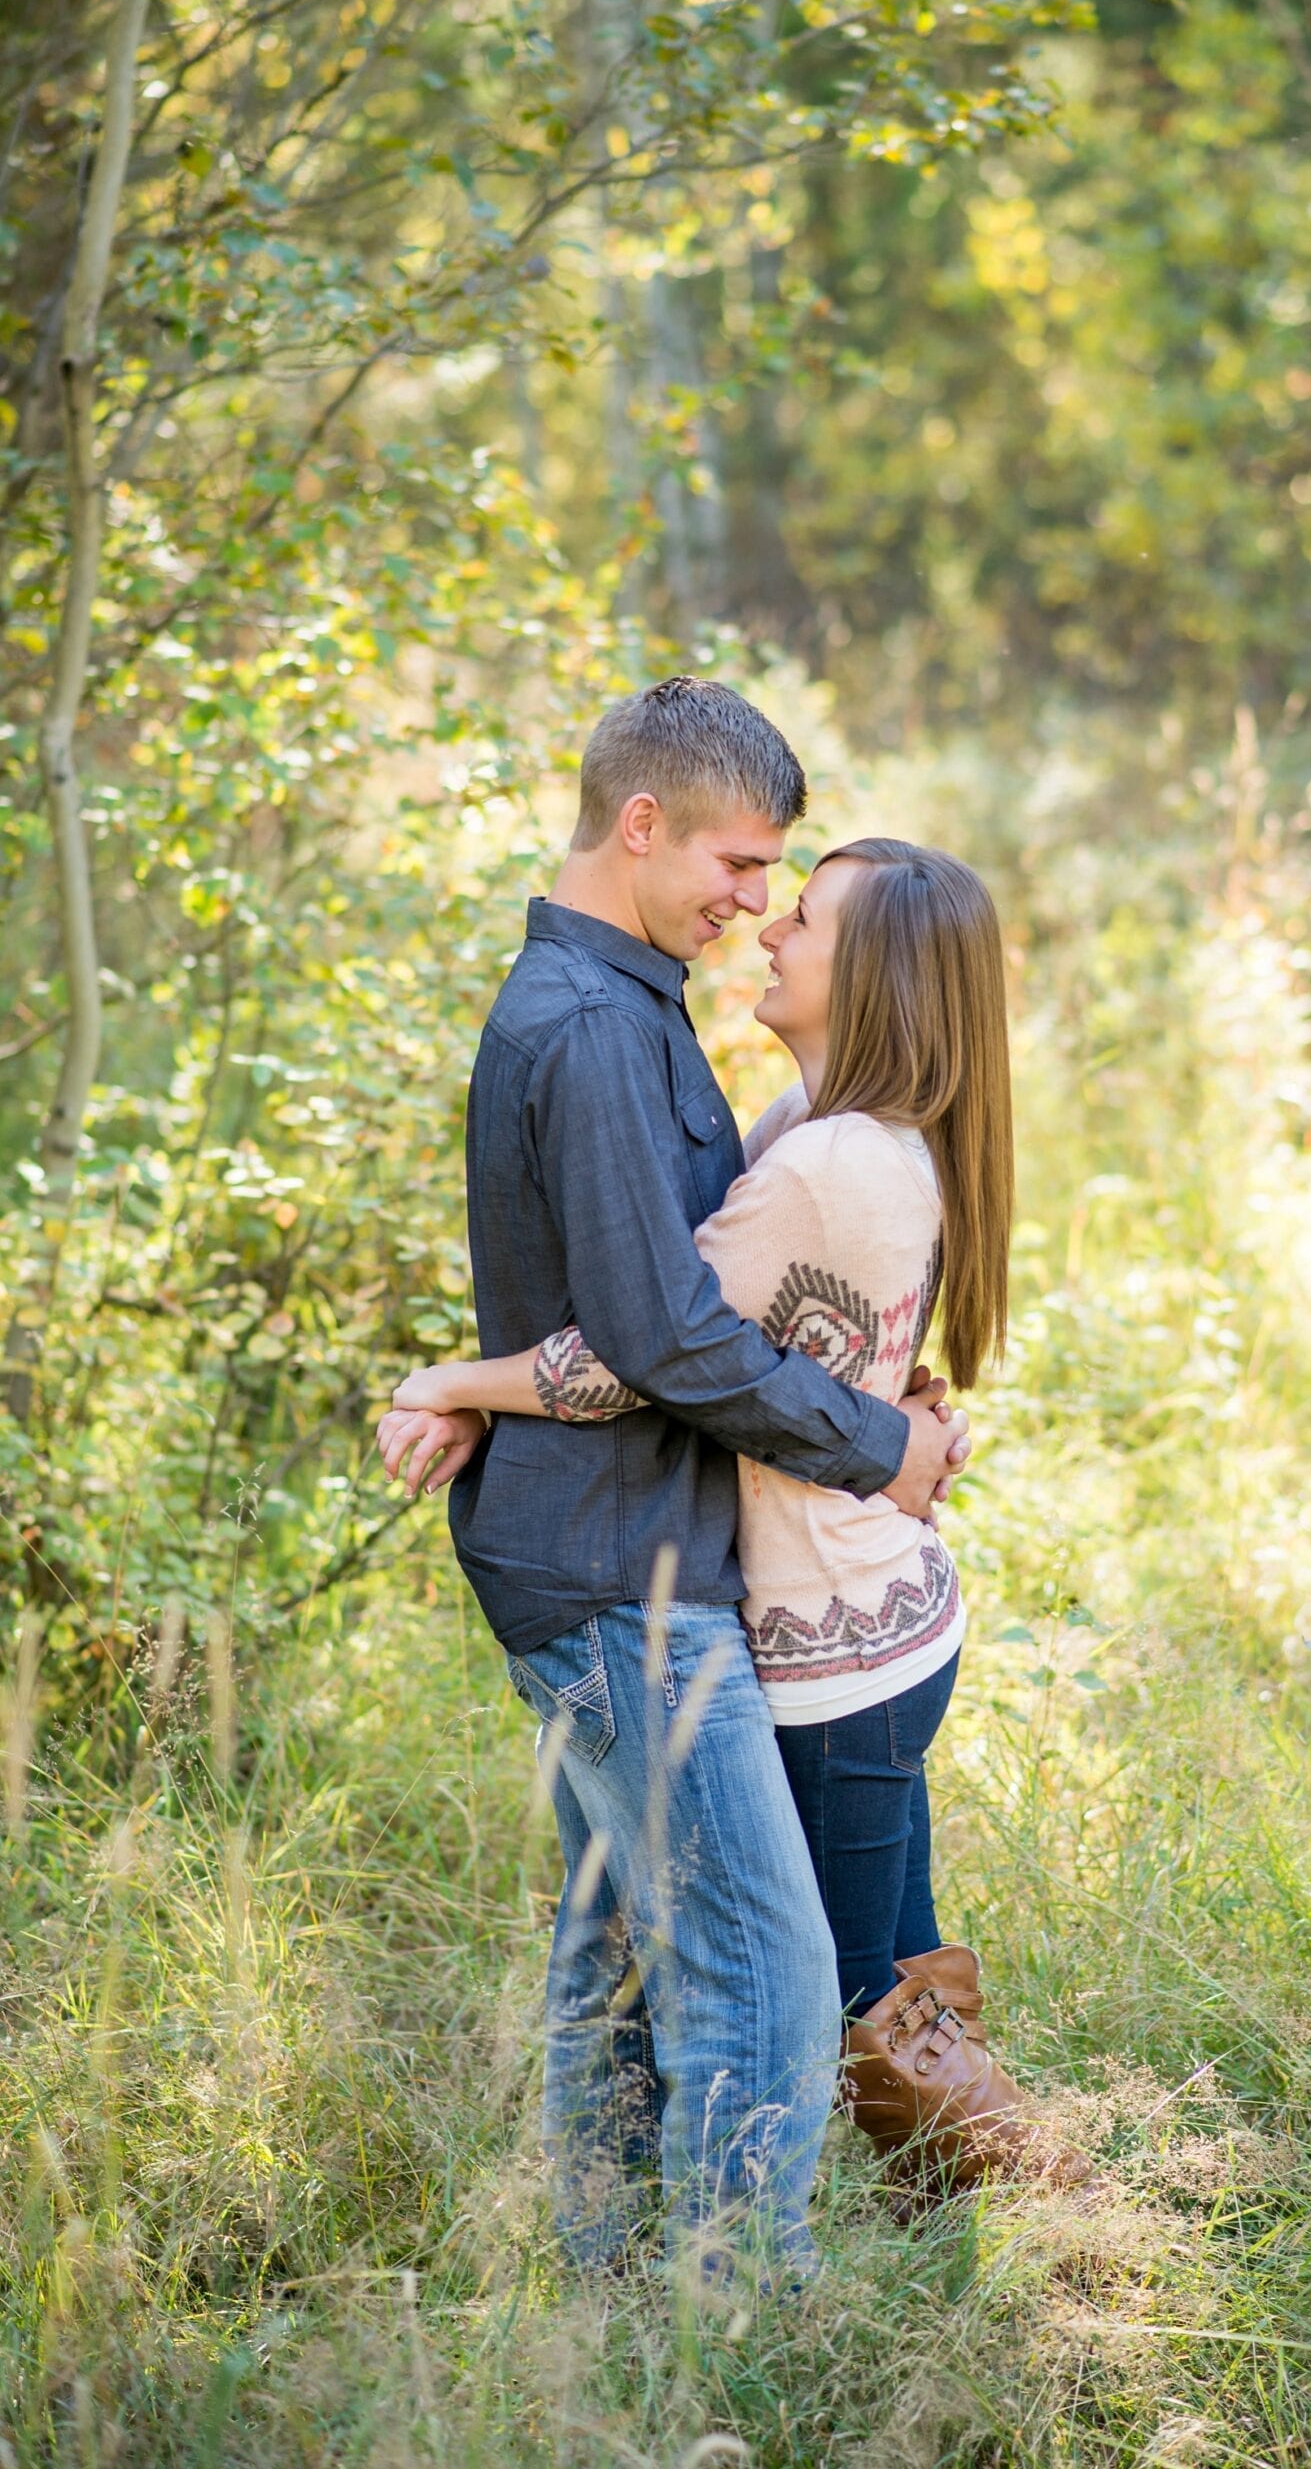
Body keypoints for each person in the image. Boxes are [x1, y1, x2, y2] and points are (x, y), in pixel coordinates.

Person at [388, 832, 1090, 2205]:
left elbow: (639, 1355)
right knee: (888, 1976)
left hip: (836, 1644)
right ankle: (985, 2224)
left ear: (875, 975)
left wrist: (453, 1384)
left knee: (824, 1988)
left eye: (807, 919)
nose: (770, 929)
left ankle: (1033, 2220)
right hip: (872, 1622)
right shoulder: (829, 1139)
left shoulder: (830, 1164)